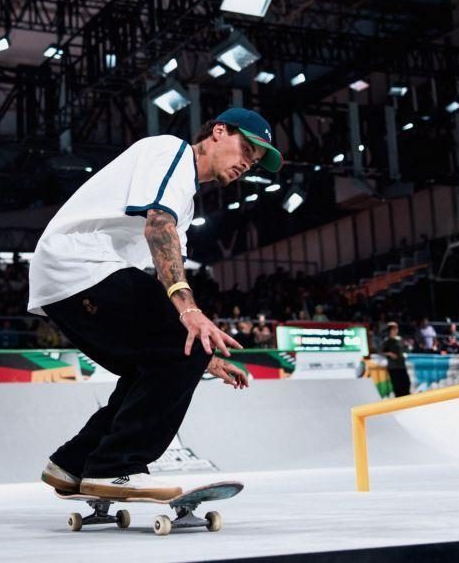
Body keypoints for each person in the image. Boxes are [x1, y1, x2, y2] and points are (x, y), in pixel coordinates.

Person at [29, 107, 282, 501]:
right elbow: (157, 227)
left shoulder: (186, 204)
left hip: (70, 279)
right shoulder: (171, 154)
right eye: (245, 148)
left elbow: (160, 268)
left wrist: (203, 356)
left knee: (157, 362)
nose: (247, 163)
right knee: (178, 348)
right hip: (80, 265)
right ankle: (116, 468)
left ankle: (73, 463)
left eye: (254, 161)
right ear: (218, 132)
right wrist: (190, 311)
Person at [379, 322, 410, 397]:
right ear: (390, 330)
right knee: (397, 385)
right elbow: (380, 351)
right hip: (393, 366)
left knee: (406, 383)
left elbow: (405, 349)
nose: (395, 330)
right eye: (393, 329)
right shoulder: (387, 341)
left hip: (401, 365)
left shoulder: (400, 339)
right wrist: (389, 354)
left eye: (396, 329)